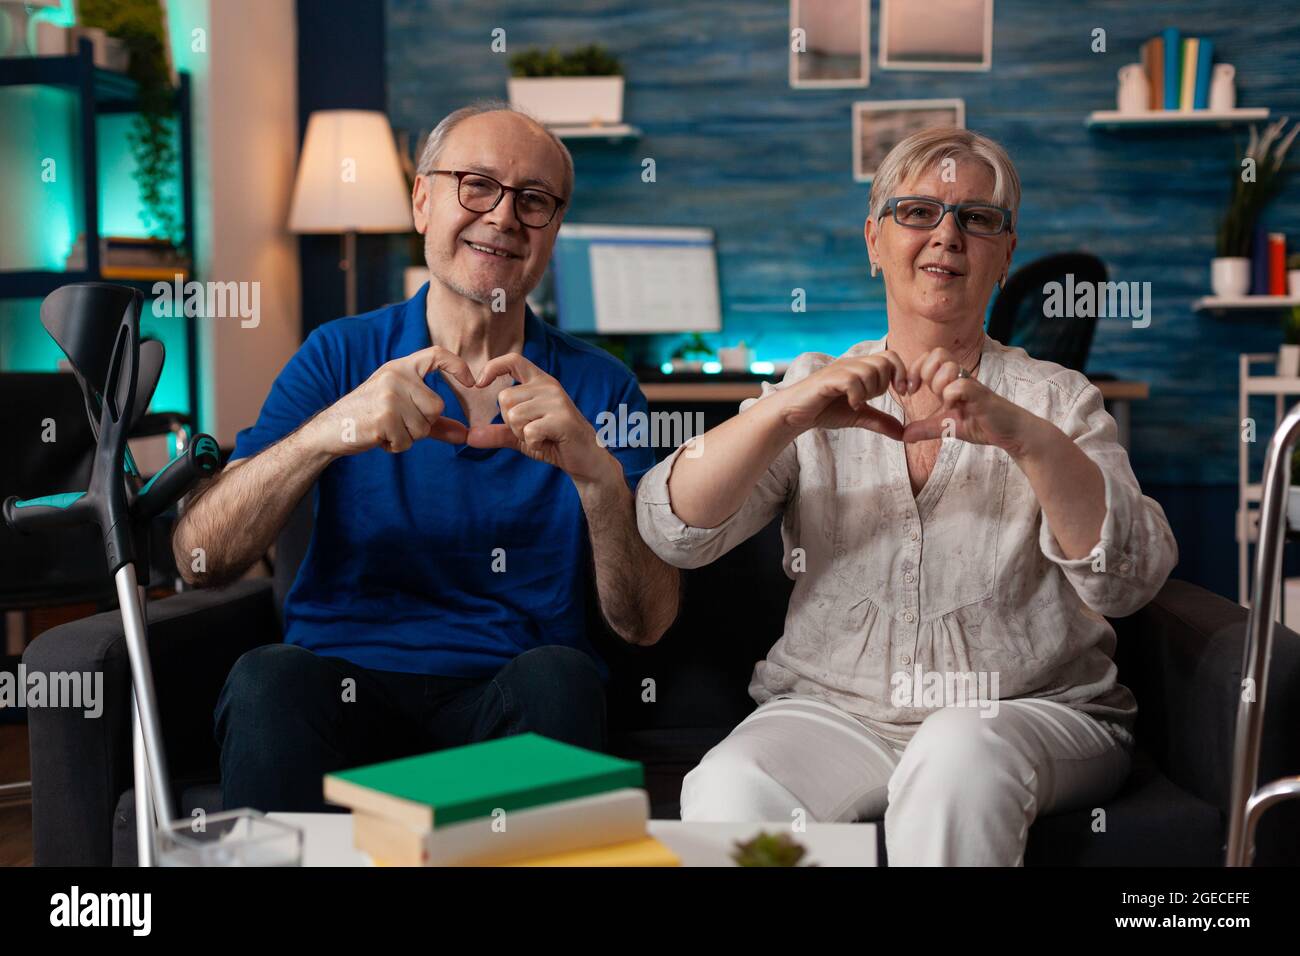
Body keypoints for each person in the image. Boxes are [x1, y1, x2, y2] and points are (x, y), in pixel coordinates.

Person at [634, 127, 1178, 865]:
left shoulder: (1059, 400)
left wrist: (1027, 438)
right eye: (917, 211)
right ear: (874, 241)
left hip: (1026, 710)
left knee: (957, 753)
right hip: (834, 713)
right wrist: (782, 414)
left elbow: (1130, 580)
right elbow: (674, 529)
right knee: (728, 787)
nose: (946, 235)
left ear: (1004, 254)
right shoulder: (811, 389)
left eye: (977, 218)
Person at [174, 102, 679, 813]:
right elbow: (199, 559)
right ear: (422, 200)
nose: (503, 217)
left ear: (552, 230)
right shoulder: (336, 355)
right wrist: (330, 430)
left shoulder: (601, 386)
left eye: (533, 201)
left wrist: (595, 471)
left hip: (507, 700)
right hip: (343, 692)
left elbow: (645, 624)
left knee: (561, 679)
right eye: (476, 185)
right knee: (268, 678)